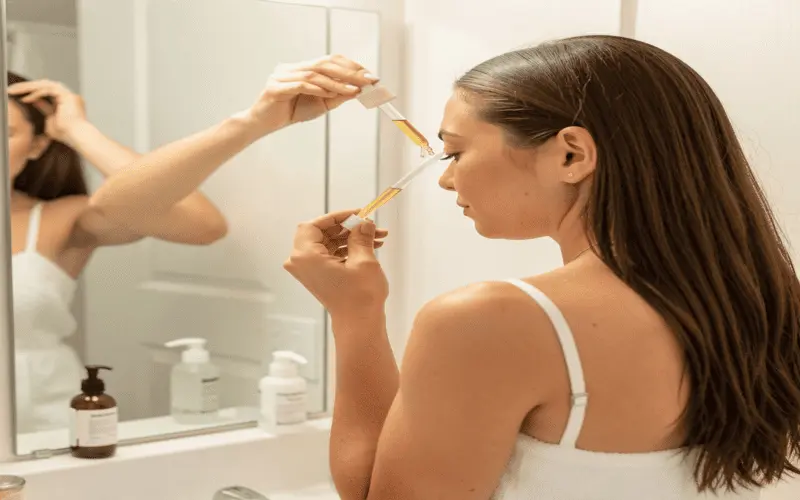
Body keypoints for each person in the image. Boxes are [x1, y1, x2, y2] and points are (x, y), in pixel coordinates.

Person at [284, 35, 800, 499]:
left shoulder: (490, 321)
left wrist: (355, 314)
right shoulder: (761, 302)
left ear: (572, 155)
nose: (445, 181)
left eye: (456, 153)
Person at [8, 56, 378, 433]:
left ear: (37, 146)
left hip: (42, 417)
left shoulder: (58, 221)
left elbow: (200, 224)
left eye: (6, 133)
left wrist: (76, 131)